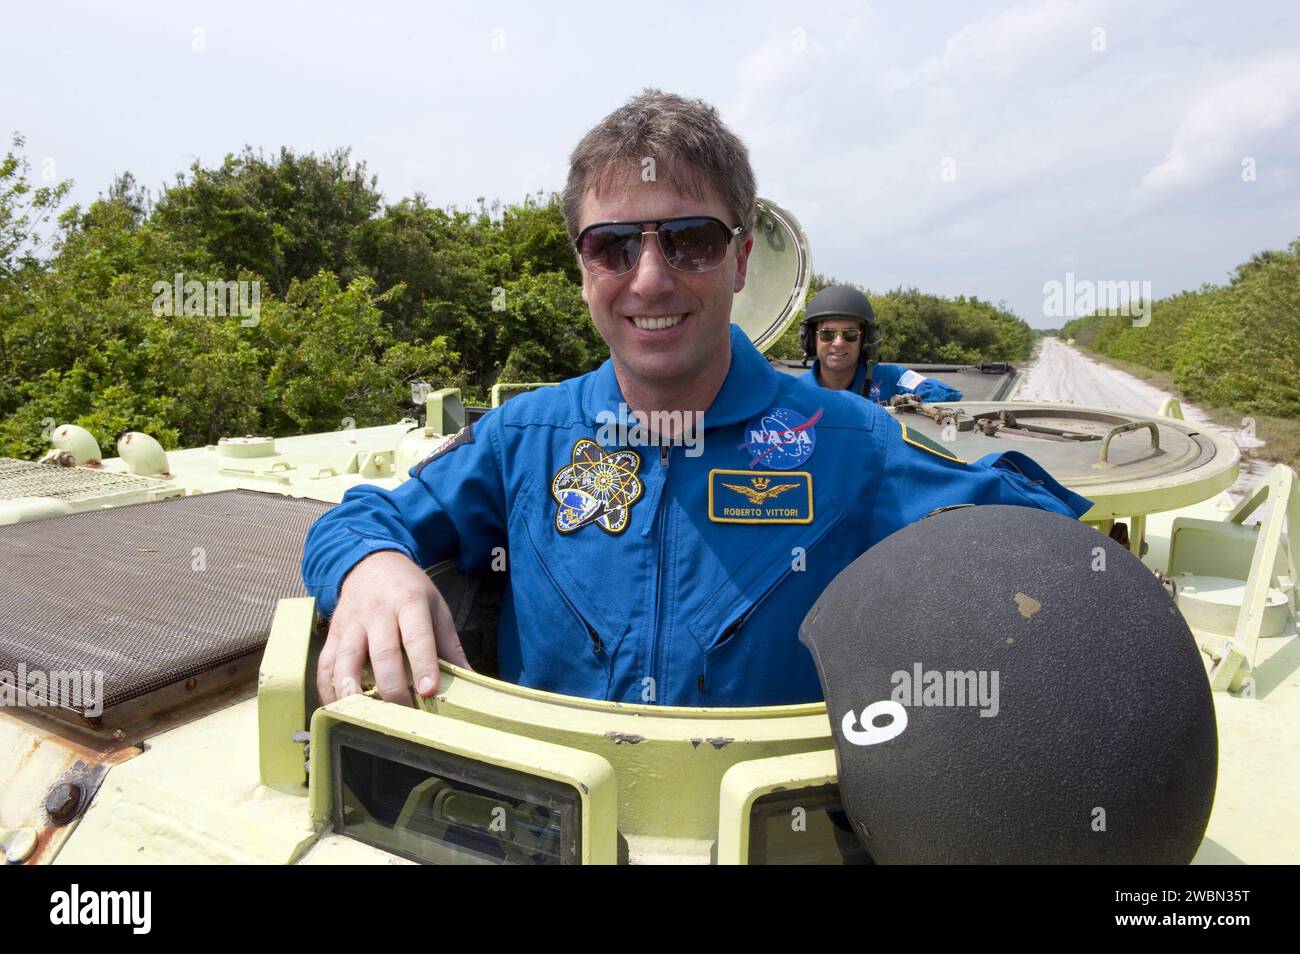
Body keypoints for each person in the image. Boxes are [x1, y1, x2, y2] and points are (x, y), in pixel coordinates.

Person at [302, 89, 1090, 709]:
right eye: (613, 246)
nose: (649, 279)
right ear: (582, 270)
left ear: (742, 259)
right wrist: (372, 568)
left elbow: (1049, 546)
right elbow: (358, 519)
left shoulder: (853, 443)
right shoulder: (524, 437)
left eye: (691, 241)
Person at [799, 285, 963, 404]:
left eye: (850, 334)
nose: (839, 343)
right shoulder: (797, 391)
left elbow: (946, 395)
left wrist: (907, 407)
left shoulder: (891, 378)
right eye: (827, 334)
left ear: (865, 339)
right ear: (812, 339)